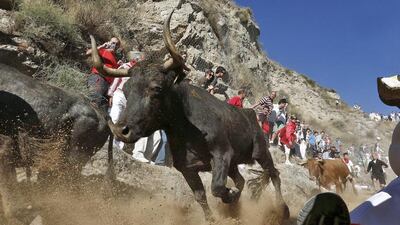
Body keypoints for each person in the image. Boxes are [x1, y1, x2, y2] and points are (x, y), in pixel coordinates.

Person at [86, 37, 121, 112]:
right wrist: (102, 46)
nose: (114, 45)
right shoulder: (103, 51)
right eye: (112, 43)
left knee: (102, 110)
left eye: (116, 44)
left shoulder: (115, 59)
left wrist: (118, 65)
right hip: (98, 78)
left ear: (118, 47)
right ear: (109, 42)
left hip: (107, 86)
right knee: (94, 103)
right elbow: (88, 53)